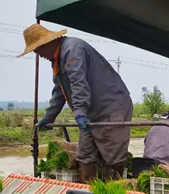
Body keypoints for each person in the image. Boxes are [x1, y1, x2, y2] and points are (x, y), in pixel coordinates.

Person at [19, 23, 133, 182]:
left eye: (37, 49)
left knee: (112, 157)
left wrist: (79, 113)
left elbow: (79, 83)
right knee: (85, 155)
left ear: (46, 43)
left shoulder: (72, 50)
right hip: (89, 113)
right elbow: (60, 90)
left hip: (111, 107)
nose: (38, 54)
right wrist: (49, 117)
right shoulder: (57, 59)